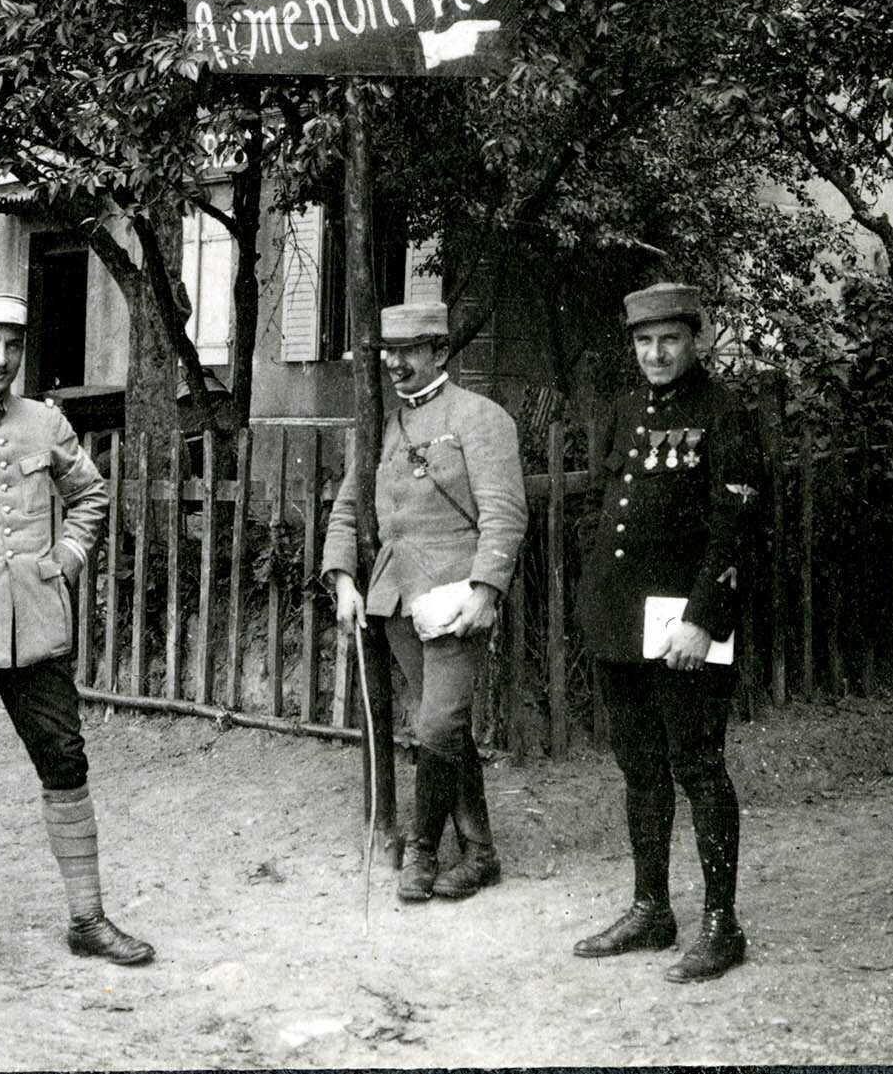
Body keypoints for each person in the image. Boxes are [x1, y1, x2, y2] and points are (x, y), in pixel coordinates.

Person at [0, 291, 154, 966]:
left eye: (11, 344)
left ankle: (87, 918)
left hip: (36, 627)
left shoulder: (46, 423)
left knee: (65, 758)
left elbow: (90, 494)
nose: (0, 357)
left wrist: (67, 559)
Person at [572, 283, 759, 982]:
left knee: (698, 766)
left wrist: (702, 620)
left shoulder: (725, 413)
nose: (655, 352)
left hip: (686, 626)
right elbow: (606, 505)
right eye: (643, 341)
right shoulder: (624, 410)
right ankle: (651, 908)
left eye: (669, 339)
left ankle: (721, 923)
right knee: (639, 765)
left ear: (693, 340)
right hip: (623, 621)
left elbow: (736, 528)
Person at [322, 301, 527, 904]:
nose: (395, 364)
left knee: (437, 722)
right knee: (445, 724)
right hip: (395, 596)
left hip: (455, 596)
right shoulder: (384, 426)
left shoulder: (480, 418)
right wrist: (342, 579)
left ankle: (422, 849)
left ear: (440, 352)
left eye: (409, 351)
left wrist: (487, 588)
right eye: (389, 352)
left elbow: (504, 513)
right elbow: (348, 508)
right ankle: (481, 852)